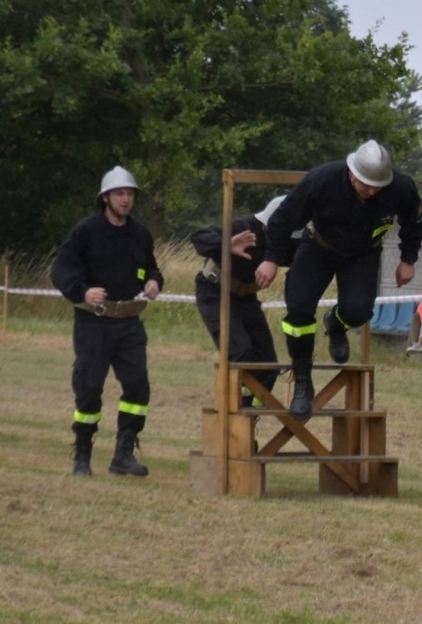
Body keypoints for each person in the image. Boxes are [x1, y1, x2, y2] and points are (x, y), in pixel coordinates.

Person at [254, 140, 422, 418]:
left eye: (377, 186)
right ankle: (301, 381)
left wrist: (408, 259)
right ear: (351, 173)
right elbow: (282, 219)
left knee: (359, 311)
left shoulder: (401, 188)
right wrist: (271, 259)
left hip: (363, 255)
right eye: (365, 184)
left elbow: (416, 223)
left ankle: (336, 324)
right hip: (318, 248)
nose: (372, 191)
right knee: (298, 310)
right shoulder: (321, 180)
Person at [50, 166, 164, 477]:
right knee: (89, 389)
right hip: (93, 324)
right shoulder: (85, 232)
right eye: (119, 194)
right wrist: (83, 292)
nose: (126, 200)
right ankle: (82, 457)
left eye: (130, 194)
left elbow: (152, 269)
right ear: (105, 198)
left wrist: (155, 282)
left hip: (129, 323)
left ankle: (123, 455)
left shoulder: (140, 234)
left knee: (138, 388)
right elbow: (61, 271)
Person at [190, 195, 286, 404]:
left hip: (246, 298)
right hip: (215, 292)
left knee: (269, 365)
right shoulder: (244, 227)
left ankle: (248, 414)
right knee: (240, 352)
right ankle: (231, 414)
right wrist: (226, 244)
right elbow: (199, 238)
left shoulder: (289, 242)